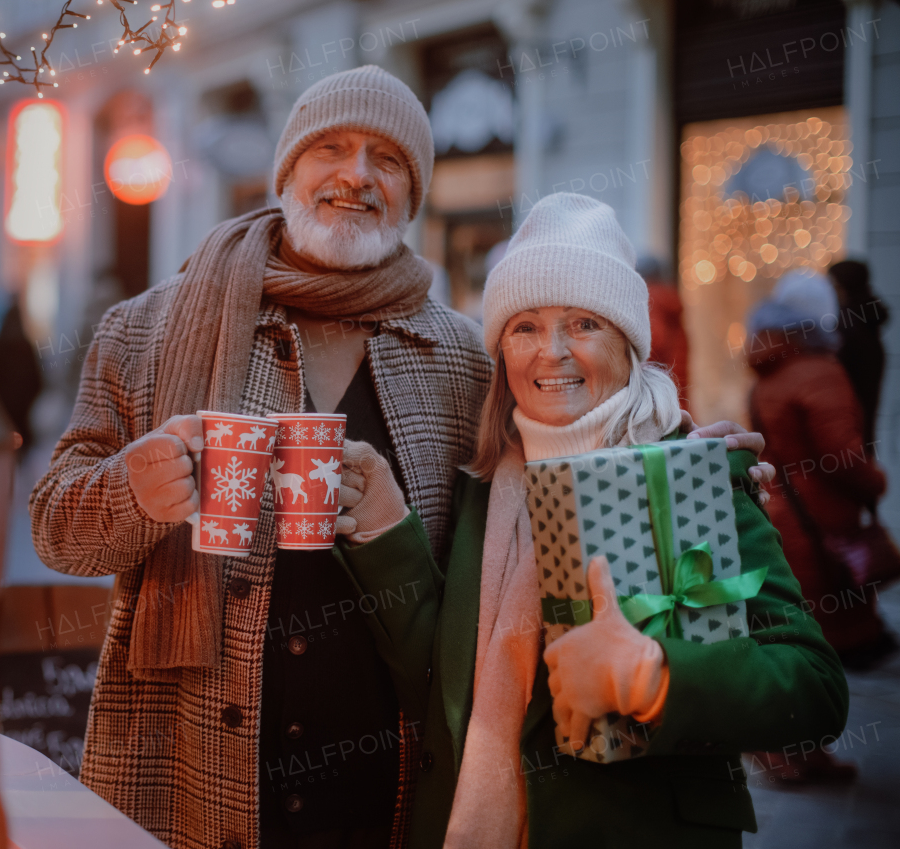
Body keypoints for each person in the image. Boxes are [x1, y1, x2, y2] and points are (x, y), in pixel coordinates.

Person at [31, 65, 490, 849]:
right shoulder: (143, 330)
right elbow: (54, 528)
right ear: (285, 172)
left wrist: (696, 449)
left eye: (388, 159)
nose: (357, 174)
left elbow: (511, 537)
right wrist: (131, 491)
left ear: (413, 197)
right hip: (188, 770)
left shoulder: (463, 358)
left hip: (381, 786)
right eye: (332, 149)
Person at [332, 193, 847, 847]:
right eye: (524, 327)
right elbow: (440, 684)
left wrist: (658, 677)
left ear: (627, 341)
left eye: (583, 323)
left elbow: (816, 688)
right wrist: (385, 525)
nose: (551, 351)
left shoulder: (689, 477)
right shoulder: (487, 489)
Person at [747, 271, 895, 672]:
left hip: (786, 517)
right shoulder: (820, 372)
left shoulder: (767, 375)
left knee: (806, 626)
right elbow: (842, 455)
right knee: (841, 637)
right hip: (824, 521)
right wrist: (876, 481)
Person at [828, 259, 888, 450]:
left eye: (832, 285)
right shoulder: (866, 329)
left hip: (845, 441)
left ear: (842, 287)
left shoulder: (847, 331)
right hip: (860, 436)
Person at [638, 256, 689, 405]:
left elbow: (652, 345)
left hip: (659, 394)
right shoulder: (671, 299)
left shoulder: (653, 301)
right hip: (675, 388)